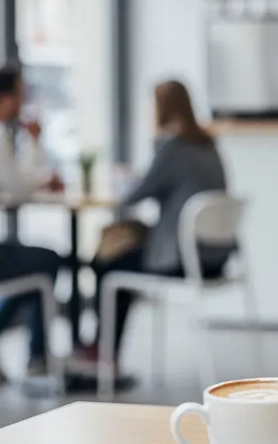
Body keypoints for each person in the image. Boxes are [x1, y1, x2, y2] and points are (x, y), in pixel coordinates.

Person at [73, 80, 232, 365]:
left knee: (108, 264)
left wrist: (124, 180)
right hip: (215, 257)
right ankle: (104, 352)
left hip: (183, 258)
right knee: (120, 252)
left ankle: (102, 352)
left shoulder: (173, 147)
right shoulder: (208, 145)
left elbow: (135, 195)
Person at [0, 66, 65, 384]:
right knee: (46, 261)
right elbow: (19, 189)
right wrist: (35, 143)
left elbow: (14, 183)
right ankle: (34, 355)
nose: (24, 101)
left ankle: (1, 337)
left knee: (36, 264)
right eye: (21, 94)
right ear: (6, 98)